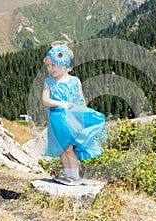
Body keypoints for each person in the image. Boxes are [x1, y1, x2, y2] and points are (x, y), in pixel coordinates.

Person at [42, 41, 107, 186]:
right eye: (48, 65)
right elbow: (45, 100)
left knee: (69, 147)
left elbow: (80, 100)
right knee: (62, 148)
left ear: (64, 64)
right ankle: (68, 174)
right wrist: (62, 104)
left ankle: (74, 176)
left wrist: (82, 114)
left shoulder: (75, 81)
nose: (50, 69)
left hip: (70, 119)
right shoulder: (49, 82)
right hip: (56, 120)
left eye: (53, 65)